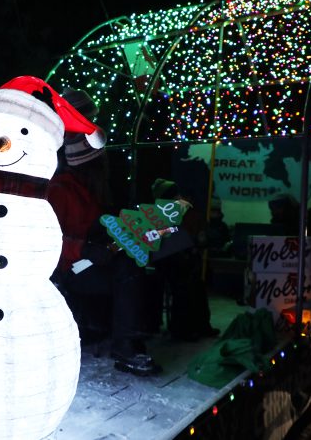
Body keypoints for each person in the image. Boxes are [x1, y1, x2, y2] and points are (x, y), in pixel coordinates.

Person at [47, 88, 161, 376]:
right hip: (68, 269)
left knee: (142, 262)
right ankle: (126, 345)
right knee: (127, 269)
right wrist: (84, 249)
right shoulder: (60, 191)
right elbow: (49, 241)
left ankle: (135, 333)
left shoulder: (96, 189)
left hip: (91, 259)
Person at [149, 179, 218, 341]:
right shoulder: (158, 214)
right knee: (184, 285)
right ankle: (182, 329)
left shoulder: (184, 213)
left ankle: (198, 326)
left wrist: (196, 243)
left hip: (180, 259)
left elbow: (197, 238)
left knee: (194, 284)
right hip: (166, 262)